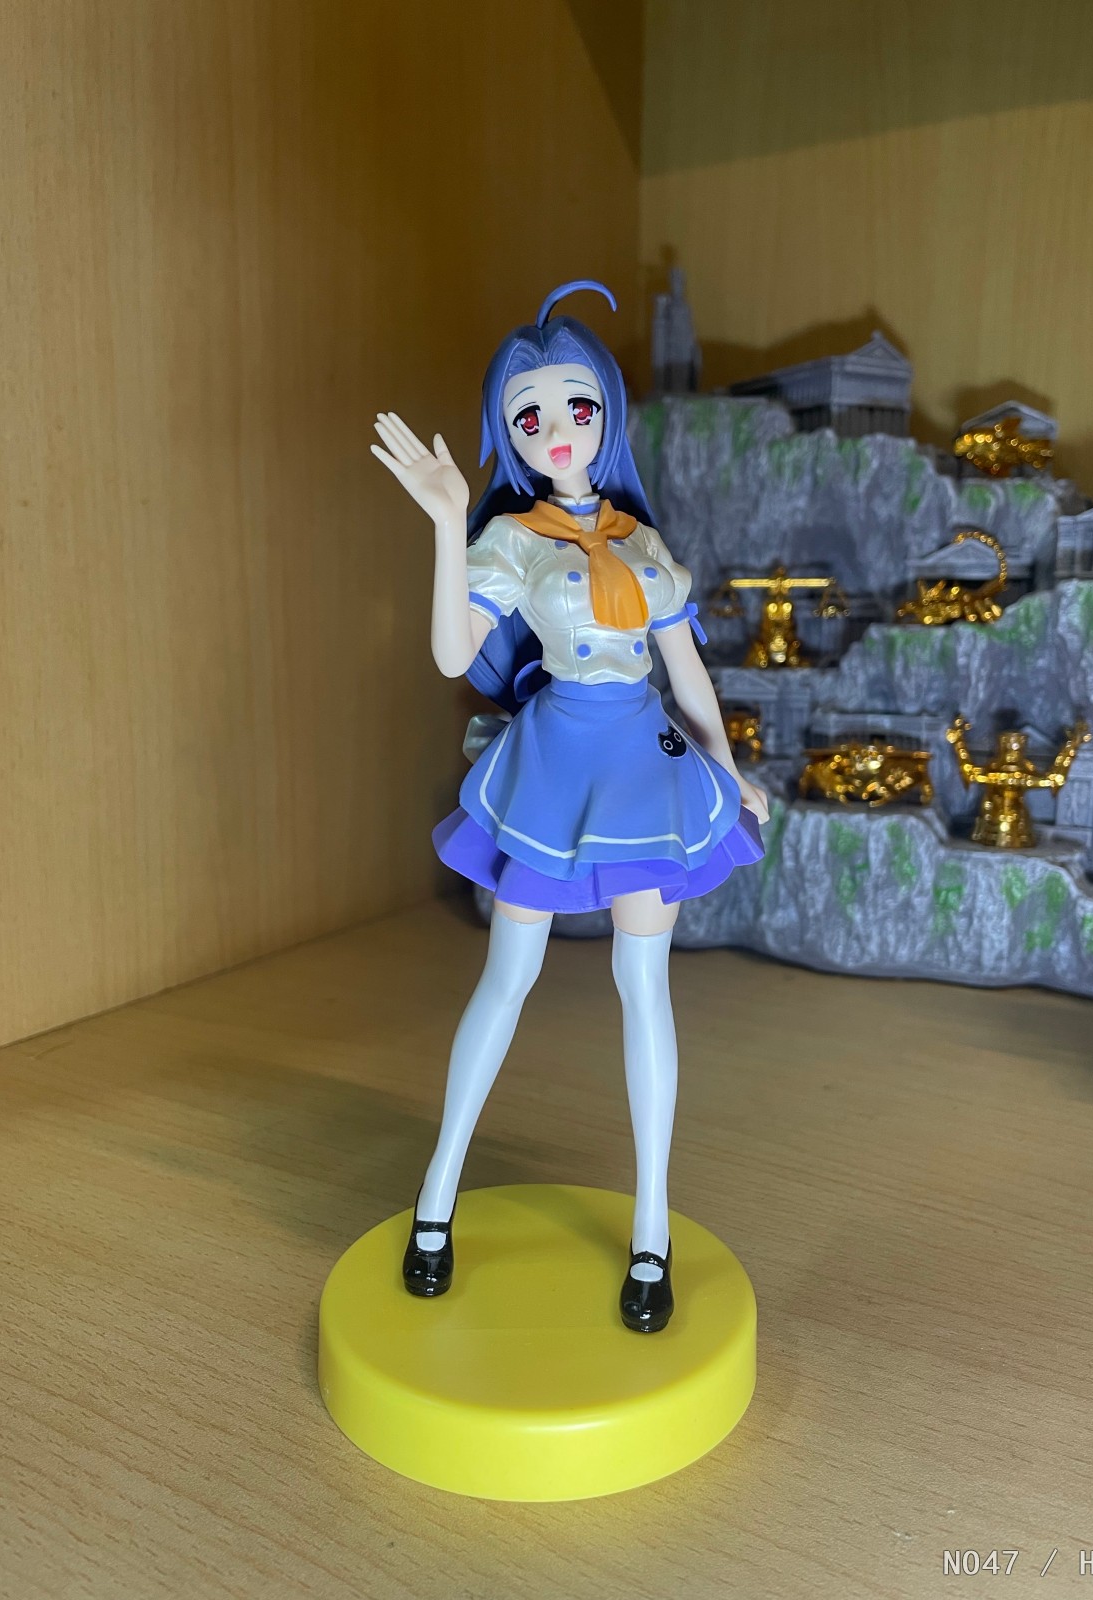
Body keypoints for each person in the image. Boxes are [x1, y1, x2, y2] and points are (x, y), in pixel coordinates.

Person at [371, 281, 768, 1332]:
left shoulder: (643, 542)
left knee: (647, 986)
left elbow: (687, 675)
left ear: (608, 414)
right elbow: (452, 654)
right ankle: (437, 1198)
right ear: (507, 432)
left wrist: (728, 767)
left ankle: (651, 1229)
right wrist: (448, 520)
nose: (555, 430)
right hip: (552, 764)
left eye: (576, 406)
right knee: (507, 978)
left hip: (646, 757)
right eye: (529, 416)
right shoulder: (514, 539)